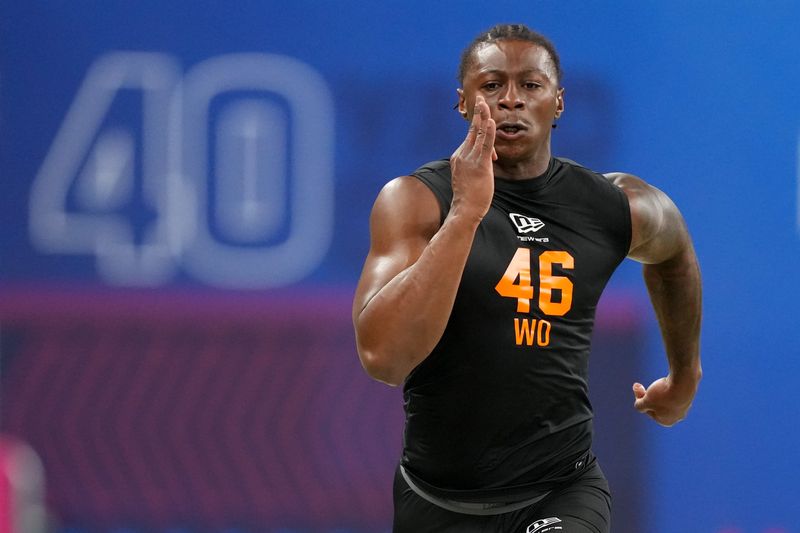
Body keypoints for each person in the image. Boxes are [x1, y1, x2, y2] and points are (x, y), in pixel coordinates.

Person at [352, 23, 702, 533]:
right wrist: (465, 216)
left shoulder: (611, 206)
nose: (510, 100)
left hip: (562, 489)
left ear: (558, 103)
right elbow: (383, 358)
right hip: (437, 500)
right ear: (463, 102)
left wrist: (685, 375)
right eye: (492, 85)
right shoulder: (417, 201)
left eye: (531, 85)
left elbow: (674, 251)